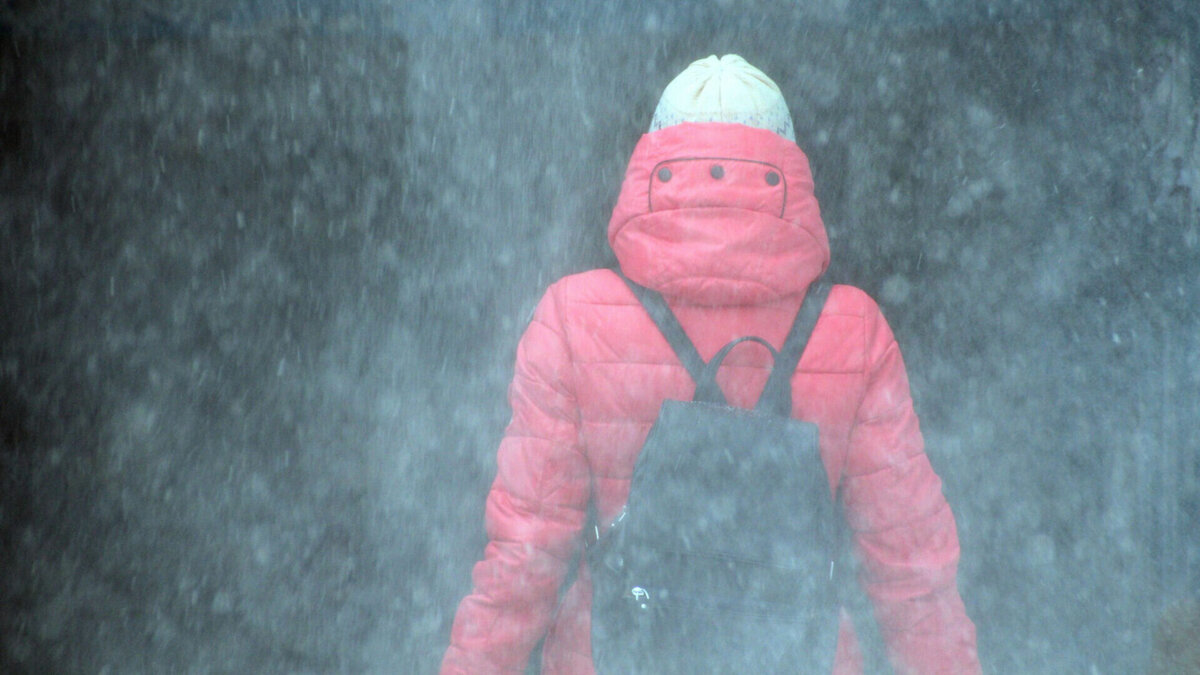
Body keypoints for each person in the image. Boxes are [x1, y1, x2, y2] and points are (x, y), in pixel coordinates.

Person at [442, 54, 981, 674]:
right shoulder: (852, 330)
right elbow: (914, 574)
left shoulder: (573, 314)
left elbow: (523, 558)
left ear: (653, 163)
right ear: (789, 168)